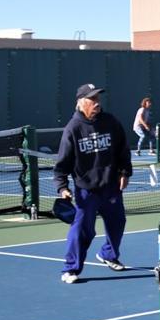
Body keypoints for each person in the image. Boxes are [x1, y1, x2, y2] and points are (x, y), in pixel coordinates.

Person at [53, 83, 133, 284]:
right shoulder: (73, 129)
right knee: (81, 231)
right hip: (86, 190)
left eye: (98, 99)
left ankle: (108, 254)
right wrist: (62, 187)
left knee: (118, 224)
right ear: (81, 103)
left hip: (111, 186)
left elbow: (123, 148)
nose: (97, 103)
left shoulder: (110, 122)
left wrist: (124, 172)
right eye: (92, 100)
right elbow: (62, 162)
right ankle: (70, 269)